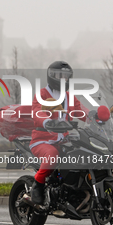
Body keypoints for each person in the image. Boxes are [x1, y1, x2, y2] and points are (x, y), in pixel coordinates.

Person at [29, 61, 86, 205]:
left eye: (65, 76)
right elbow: (37, 112)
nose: (62, 79)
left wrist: (97, 117)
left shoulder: (69, 96)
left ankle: (76, 188)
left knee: (83, 152)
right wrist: (46, 121)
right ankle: (38, 184)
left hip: (64, 139)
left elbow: (82, 111)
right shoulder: (42, 94)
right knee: (52, 155)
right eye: (58, 75)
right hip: (43, 139)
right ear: (50, 76)